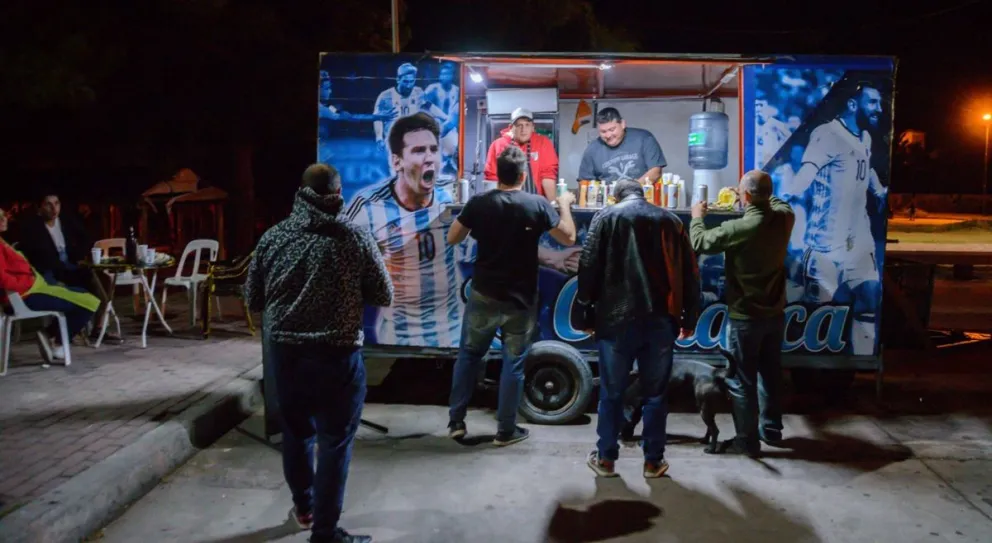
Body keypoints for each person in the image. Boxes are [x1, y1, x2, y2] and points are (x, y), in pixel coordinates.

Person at [245, 164, 393, 543]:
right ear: (337, 193)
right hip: (337, 356)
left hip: (287, 355)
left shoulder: (272, 238)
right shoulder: (355, 239)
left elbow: (253, 299)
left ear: (302, 193)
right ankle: (326, 532)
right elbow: (384, 294)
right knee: (335, 443)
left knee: (296, 435)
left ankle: (305, 508)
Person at [446, 145, 577, 446]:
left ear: (498, 174)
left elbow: (454, 237)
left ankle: (456, 421)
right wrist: (565, 204)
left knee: (468, 356)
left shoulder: (479, 202)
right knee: (513, 363)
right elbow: (568, 236)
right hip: (520, 298)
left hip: (484, 293)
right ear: (523, 175)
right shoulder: (537, 204)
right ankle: (506, 431)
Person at [576, 179, 700, 478]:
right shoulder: (671, 220)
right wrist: (690, 318)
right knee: (656, 394)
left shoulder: (606, 217)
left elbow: (588, 265)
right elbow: (690, 273)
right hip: (661, 320)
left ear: (616, 196)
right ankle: (653, 462)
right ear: (643, 194)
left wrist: (585, 313)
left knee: (612, 392)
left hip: (616, 320)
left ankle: (606, 459)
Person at [690, 170, 795, 456]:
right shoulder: (785, 217)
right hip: (775, 313)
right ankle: (771, 430)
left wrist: (697, 216)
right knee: (770, 375)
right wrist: (753, 193)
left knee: (742, 380)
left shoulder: (741, 227)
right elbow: (777, 201)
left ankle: (746, 441)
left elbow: (699, 242)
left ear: (746, 196)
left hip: (745, 316)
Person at [780, 84, 887, 356]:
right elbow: (807, 171)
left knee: (869, 298)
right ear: (853, 104)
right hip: (824, 246)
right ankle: (817, 373)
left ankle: (862, 358)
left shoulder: (864, 136)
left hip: (859, 242)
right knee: (821, 313)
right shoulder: (827, 133)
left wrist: (878, 190)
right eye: (873, 103)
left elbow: (867, 166)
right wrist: (787, 196)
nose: (880, 109)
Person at [345, 112, 465, 348]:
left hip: (452, 333)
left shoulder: (452, 194)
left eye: (434, 149)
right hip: (398, 338)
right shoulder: (368, 206)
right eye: (419, 151)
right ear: (396, 161)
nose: (430, 158)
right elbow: (341, 262)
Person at [1, 207, 99, 365]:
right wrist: (28, 282)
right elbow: (3, 279)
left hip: (32, 290)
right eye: (1, 216)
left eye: (3, 215)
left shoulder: (2, 242)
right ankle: (57, 340)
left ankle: (51, 334)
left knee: (85, 295)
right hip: (25, 296)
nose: (5, 218)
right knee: (87, 303)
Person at [17, 191, 94, 291]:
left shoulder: (65, 219)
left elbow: (84, 236)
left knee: (90, 275)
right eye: (48, 204)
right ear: (39, 208)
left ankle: (103, 304)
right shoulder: (33, 227)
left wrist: (78, 256)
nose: (54, 209)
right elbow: (38, 256)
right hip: (50, 270)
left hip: (70, 264)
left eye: (56, 203)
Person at [577, 107, 666, 187]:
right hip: (608, 201)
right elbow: (584, 182)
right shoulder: (592, 149)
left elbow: (655, 171)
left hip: (642, 199)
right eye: (603, 132)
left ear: (623, 124)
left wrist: (632, 189)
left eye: (612, 130)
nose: (608, 135)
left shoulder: (644, 138)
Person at [484, 107, 559, 200]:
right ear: (511, 127)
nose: (523, 130)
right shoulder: (498, 145)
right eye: (519, 125)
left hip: (535, 204)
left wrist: (553, 205)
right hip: (506, 203)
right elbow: (492, 178)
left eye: (527, 125)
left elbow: (548, 175)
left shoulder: (543, 143)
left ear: (533, 127)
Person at [373, 63, 448, 154]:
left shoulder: (418, 92)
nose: (409, 85)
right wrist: (379, 138)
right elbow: (377, 118)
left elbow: (429, 106)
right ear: (398, 79)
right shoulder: (385, 96)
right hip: (394, 140)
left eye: (411, 81)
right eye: (405, 82)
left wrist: (446, 118)